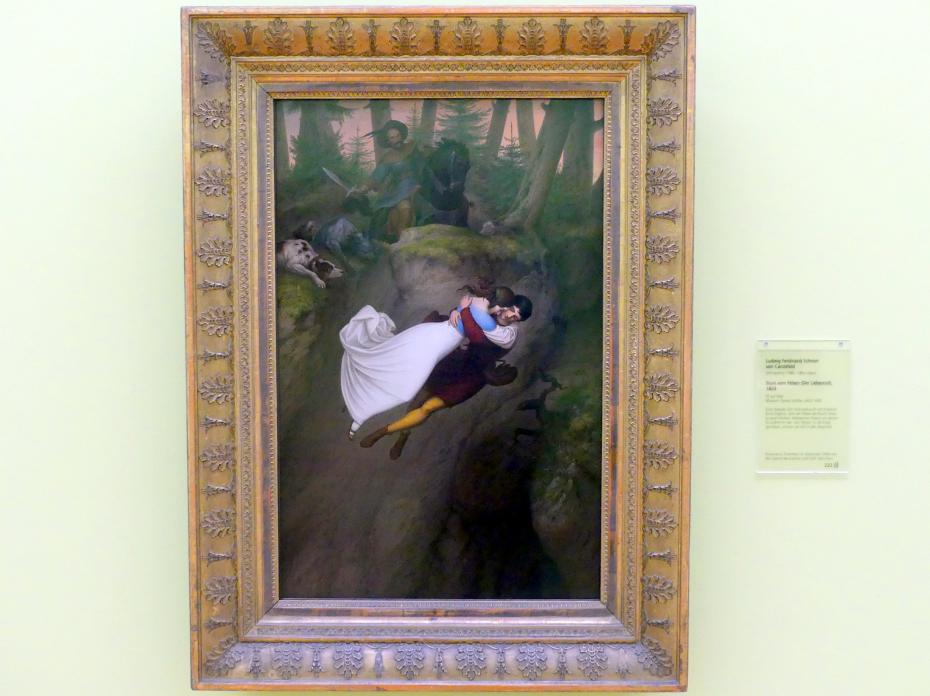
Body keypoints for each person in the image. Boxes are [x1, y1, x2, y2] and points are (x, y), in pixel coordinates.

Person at [339, 292, 532, 441]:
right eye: (512, 309)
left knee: (421, 401)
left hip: (466, 370)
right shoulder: (488, 309)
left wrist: (466, 310)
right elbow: (465, 314)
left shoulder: (507, 334)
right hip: (445, 351)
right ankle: (368, 412)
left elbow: (477, 333)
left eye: (517, 316)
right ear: (506, 305)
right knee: (405, 380)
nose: (511, 315)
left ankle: (381, 429)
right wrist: (458, 310)